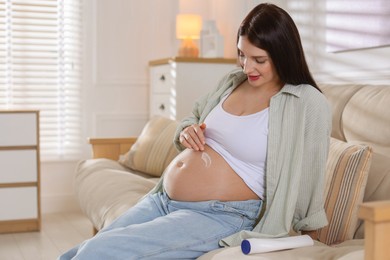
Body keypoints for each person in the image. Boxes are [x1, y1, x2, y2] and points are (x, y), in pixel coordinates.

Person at [59, 3, 331, 259]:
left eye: (259, 59)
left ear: (283, 53)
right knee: (83, 251)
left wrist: (310, 236)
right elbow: (193, 117)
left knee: (101, 252)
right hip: (163, 199)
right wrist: (186, 130)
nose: (247, 67)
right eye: (241, 55)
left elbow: (310, 173)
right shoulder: (232, 82)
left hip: (222, 215)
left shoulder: (306, 103)